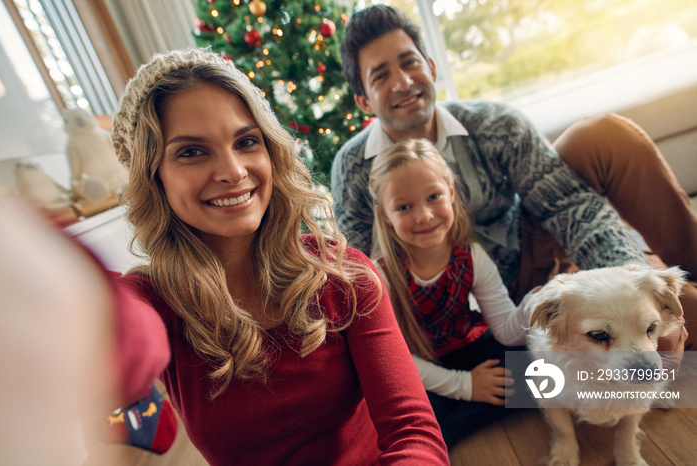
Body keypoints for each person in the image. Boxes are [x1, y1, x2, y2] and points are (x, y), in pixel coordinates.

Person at [106, 48, 449, 465]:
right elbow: (101, 319)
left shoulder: (345, 274)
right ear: (153, 176)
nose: (233, 171)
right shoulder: (151, 299)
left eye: (247, 141)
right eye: (192, 152)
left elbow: (414, 434)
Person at [331, 4, 697, 347]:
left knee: (600, 136)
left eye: (409, 63)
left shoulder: (495, 124)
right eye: (381, 76)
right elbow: (359, 279)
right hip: (449, 316)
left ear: (431, 67)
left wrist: (633, 290)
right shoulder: (352, 168)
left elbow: (571, 207)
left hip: (531, 262)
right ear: (363, 101)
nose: (402, 82)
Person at [369, 138, 531, 446]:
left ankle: (645, 381)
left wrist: (535, 302)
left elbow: (508, 332)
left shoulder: (472, 258)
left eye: (433, 197)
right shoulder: (381, 277)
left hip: (470, 348)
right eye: (404, 207)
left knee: (542, 366)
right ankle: (474, 410)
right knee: (412, 420)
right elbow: (398, 361)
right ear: (385, 216)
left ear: (451, 193)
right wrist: (466, 386)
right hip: (420, 371)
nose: (424, 216)